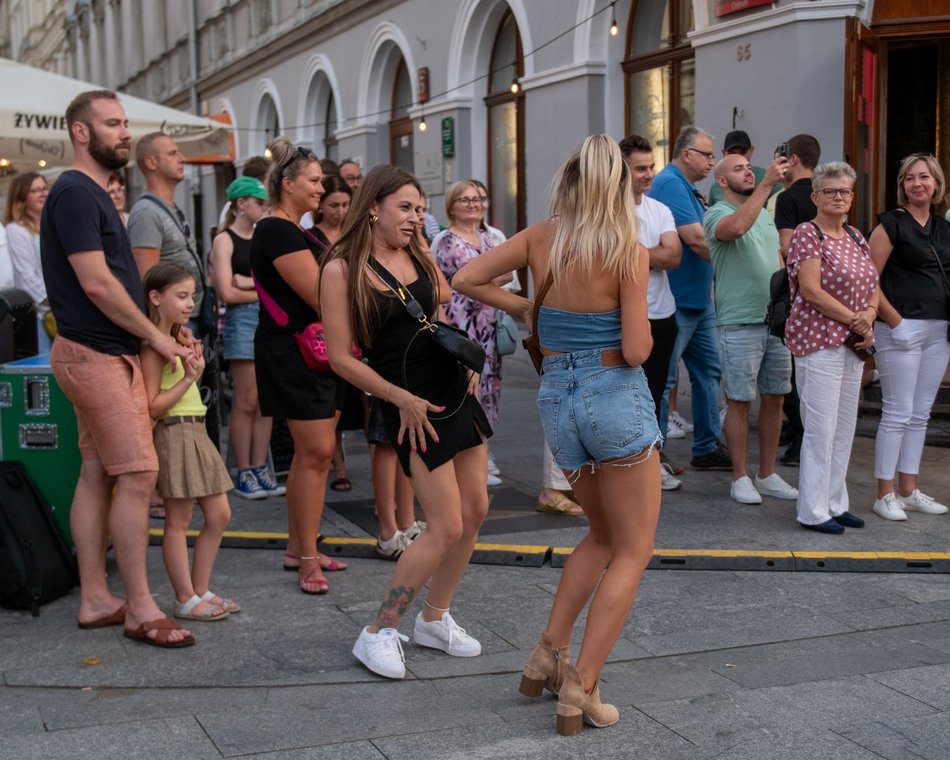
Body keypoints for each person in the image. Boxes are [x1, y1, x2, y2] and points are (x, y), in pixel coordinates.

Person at [454, 134, 661, 735]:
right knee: (633, 548)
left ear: (569, 181)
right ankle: (582, 686)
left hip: (557, 401)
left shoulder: (541, 237)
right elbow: (636, 349)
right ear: (618, 185)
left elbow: (467, 279)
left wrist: (526, 308)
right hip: (613, 395)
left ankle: (548, 652)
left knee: (599, 533)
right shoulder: (627, 246)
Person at [320, 164, 491, 680]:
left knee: (477, 509)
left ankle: (434, 618)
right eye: (406, 208)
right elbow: (340, 357)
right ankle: (379, 629)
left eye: (420, 208)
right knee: (445, 525)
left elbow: (435, 317)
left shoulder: (417, 252)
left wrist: (462, 361)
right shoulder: (340, 269)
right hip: (408, 404)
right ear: (373, 206)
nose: (417, 218)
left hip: (450, 389)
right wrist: (401, 399)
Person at [41, 89, 194, 646]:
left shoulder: (90, 192)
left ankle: (95, 599)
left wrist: (163, 330)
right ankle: (140, 608)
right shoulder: (77, 193)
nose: (125, 132)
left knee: (97, 471)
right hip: (99, 355)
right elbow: (97, 282)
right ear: (82, 133)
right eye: (113, 124)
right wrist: (156, 334)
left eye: (126, 122)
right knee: (137, 475)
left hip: (93, 352)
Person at [250, 138, 347, 591]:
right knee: (316, 453)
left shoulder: (296, 229)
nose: (321, 187)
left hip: (311, 348)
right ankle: (306, 556)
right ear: (287, 184)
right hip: (295, 350)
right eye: (312, 180)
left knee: (319, 454)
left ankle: (300, 547)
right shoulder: (277, 230)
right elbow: (315, 294)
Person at [141, 262, 239, 620]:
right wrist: (188, 378)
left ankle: (200, 589)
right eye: (181, 296)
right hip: (174, 432)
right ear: (156, 297)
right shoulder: (155, 346)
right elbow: (153, 406)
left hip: (193, 429)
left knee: (219, 513)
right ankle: (185, 597)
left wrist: (190, 369)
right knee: (178, 520)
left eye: (191, 296)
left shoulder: (175, 339)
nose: (189, 303)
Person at [785, 162, 879, 534]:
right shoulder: (808, 234)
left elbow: (873, 282)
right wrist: (854, 319)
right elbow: (810, 290)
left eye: (844, 191)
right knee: (821, 429)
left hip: (852, 344)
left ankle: (836, 503)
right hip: (818, 342)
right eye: (830, 191)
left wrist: (869, 315)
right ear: (815, 197)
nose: (838, 197)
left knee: (843, 427)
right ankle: (812, 510)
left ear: (852, 196)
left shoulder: (856, 235)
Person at [703, 152, 798, 505]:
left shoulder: (764, 218)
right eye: (737, 169)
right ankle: (740, 476)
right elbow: (736, 228)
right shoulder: (717, 213)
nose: (748, 173)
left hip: (773, 322)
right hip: (739, 322)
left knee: (775, 398)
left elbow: (777, 262)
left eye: (749, 168)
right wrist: (768, 184)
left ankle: (768, 473)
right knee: (739, 401)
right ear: (722, 182)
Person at [868, 153, 950, 522]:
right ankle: (884, 493)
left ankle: (908, 489)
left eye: (925, 178)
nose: (918, 184)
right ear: (902, 185)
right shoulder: (891, 224)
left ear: (936, 184)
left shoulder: (945, 228)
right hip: (900, 327)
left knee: (920, 414)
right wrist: (894, 319)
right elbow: (868, 278)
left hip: (938, 329)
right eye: (910, 178)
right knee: (898, 412)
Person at [648, 126, 731, 470]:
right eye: (707, 154)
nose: (713, 161)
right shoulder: (669, 182)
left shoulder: (690, 189)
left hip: (699, 299)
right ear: (686, 154)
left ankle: (706, 446)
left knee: (708, 372)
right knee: (664, 378)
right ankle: (654, 453)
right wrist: (734, 265)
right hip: (678, 299)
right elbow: (696, 239)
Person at [433, 180, 510, 486]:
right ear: (452, 206)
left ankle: (483, 448)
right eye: (465, 200)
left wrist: (475, 276)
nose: (474, 204)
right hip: (459, 324)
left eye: (479, 198)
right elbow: (440, 281)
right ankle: (466, 449)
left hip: (489, 325)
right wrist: (485, 275)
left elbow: (510, 273)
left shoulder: (494, 237)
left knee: (490, 387)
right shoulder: (442, 240)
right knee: (464, 387)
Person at [210, 176, 283, 500]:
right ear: (242, 204)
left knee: (265, 400)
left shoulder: (264, 236)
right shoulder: (224, 240)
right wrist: (255, 287)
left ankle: (258, 468)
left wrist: (245, 282)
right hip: (242, 320)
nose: (264, 209)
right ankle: (244, 471)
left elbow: (278, 285)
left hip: (266, 318)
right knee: (247, 399)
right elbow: (224, 290)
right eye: (259, 203)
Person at [620, 134, 683, 491]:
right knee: (623, 394)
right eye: (640, 168)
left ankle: (651, 461)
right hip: (621, 318)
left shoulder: (659, 210)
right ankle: (624, 462)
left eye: (651, 167)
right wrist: (651, 252)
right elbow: (612, 259)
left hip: (662, 316)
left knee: (654, 393)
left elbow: (673, 256)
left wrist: (636, 253)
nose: (648, 174)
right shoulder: (610, 213)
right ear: (621, 171)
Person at [310, 174, 362, 492]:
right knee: (335, 398)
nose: (340, 211)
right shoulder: (310, 237)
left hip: (358, 321)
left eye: (345, 204)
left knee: (356, 401)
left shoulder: (354, 235)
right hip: (327, 324)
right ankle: (338, 463)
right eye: (333, 205)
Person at [774, 133, 822, 466]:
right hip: (824, 288)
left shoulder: (787, 198)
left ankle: (800, 437)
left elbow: (789, 249)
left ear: (792, 160)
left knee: (792, 368)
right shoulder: (823, 195)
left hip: (798, 291)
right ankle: (796, 433)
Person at [128, 132, 205, 333]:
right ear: (151, 162)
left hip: (186, 318)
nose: (182, 159)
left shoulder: (170, 206)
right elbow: (148, 280)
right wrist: (172, 331)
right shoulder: (146, 213)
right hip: (174, 324)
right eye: (172, 154)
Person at [4, 171, 52, 354]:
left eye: (45, 188)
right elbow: (26, 277)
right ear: (22, 197)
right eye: (35, 190)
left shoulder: (51, 224)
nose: (43, 193)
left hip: (59, 311)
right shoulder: (16, 230)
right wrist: (57, 300)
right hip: (38, 314)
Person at [707, 130, 781, 206]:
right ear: (723, 153)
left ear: (751, 150)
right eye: (732, 153)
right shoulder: (716, 187)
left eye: (743, 152)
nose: (738, 156)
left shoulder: (768, 177)